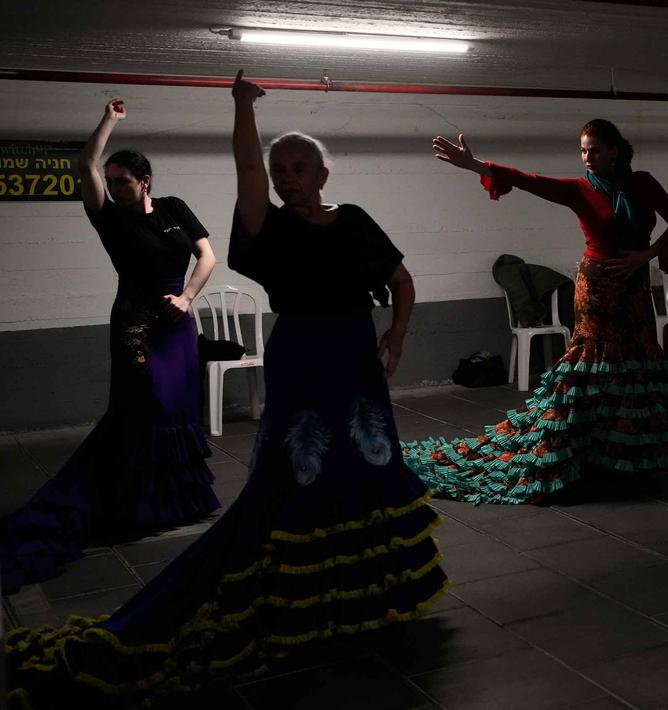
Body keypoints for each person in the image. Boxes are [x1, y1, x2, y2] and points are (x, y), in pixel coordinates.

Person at [3, 71, 448, 709]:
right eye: (280, 168)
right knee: (297, 464)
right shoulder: (267, 226)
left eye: (300, 167)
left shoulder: (353, 220)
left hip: (355, 354)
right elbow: (247, 169)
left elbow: (401, 279)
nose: (288, 175)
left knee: (368, 458)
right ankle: (291, 574)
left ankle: (367, 584)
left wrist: (398, 334)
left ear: (322, 175)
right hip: (301, 351)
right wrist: (243, 107)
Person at [402, 120, 668, 504]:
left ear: (615, 151)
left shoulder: (644, 184)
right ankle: (575, 450)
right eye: (583, 150)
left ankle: (626, 456)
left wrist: (646, 256)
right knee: (591, 365)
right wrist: (476, 166)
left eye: (595, 150)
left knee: (633, 363)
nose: (587, 158)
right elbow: (526, 180)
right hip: (598, 288)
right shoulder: (579, 189)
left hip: (634, 285)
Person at [1, 99, 219, 594]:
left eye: (124, 181)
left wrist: (187, 297)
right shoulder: (110, 218)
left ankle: (177, 503)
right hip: (135, 326)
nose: (116, 187)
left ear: (145, 181)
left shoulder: (174, 209)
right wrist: (110, 121)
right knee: (147, 408)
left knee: (179, 409)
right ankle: (132, 502)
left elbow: (207, 255)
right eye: (112, 180)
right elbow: (85, 165)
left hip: (177, 323)